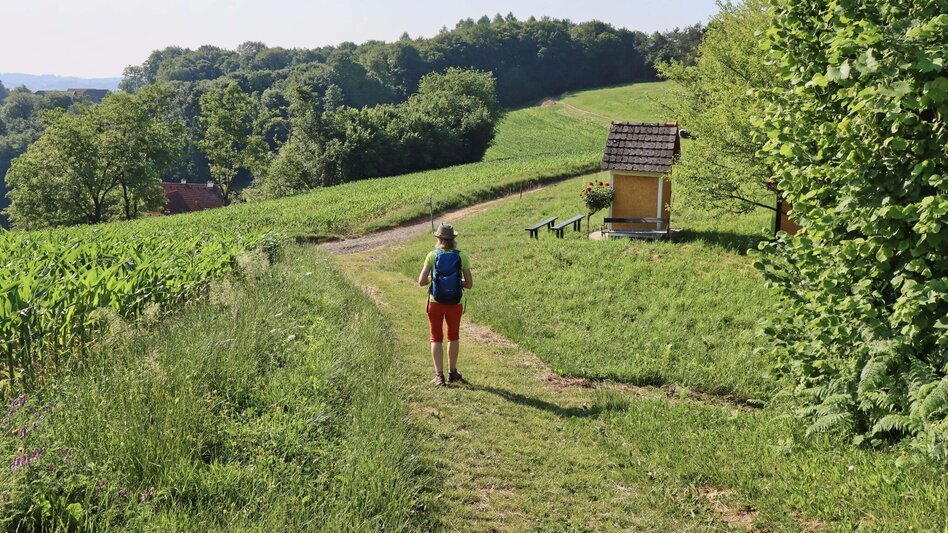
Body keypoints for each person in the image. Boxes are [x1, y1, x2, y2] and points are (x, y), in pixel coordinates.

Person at [418, 223, 473, 386]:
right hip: (455, 303)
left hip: (435, 302)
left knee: (436, 338)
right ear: (453, 239)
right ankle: (453, 372)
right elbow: (469, 284)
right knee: (453, 336)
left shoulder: (432, 255)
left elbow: (421, 281)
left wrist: (433, 281)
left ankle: (439, 376)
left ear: (439, 238)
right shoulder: (461, 256)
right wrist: (458, 283)